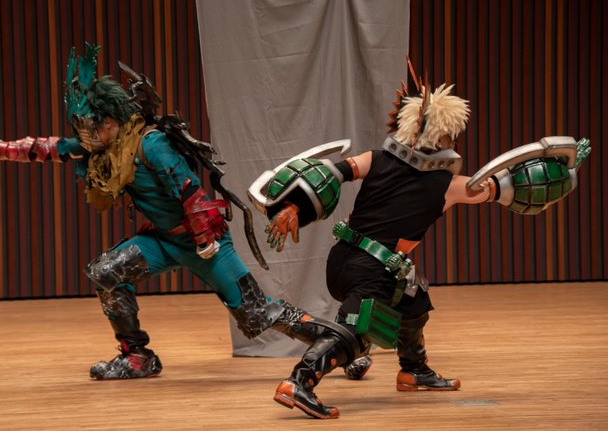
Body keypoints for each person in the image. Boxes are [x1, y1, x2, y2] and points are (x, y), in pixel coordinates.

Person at [0, 43, 342, 380]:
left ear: (110, 122)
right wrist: (3, 149)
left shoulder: (150, 143)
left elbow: (190, 190)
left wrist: (205, 240)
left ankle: (339, 345)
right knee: (106, 272)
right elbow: (54, 148)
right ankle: (137, 357)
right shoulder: (108, 147)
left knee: (257, 312)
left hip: (204, 244)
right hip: (163, 241)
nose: (86, 135)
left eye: (91, 127)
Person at [248, 58, 590, 419]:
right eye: (448, 134)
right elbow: (506, 187)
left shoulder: (375, 159)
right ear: (433, 135)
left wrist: (294, 206)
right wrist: (559, 171)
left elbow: (332, 172)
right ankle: (298, 382)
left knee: (414, 301)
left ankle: (414, 370)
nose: (452, 141)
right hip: (370, 272)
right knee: (357, 336)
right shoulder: (449, 186)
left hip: (350, 261)